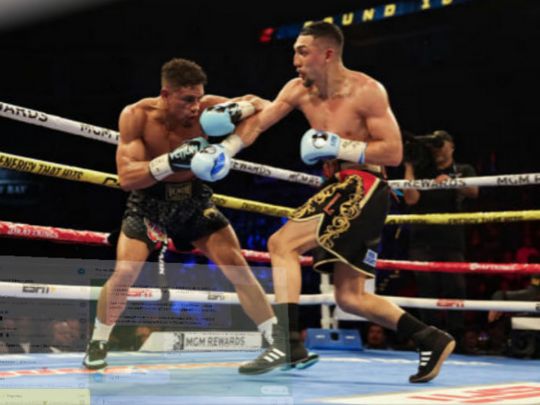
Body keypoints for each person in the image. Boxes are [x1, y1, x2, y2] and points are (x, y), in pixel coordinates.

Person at [191, 21, 455, 382]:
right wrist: (227, 149)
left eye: (303, 52)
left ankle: (287, 342)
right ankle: (431, 338)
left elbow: (393, 152)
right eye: (294, 52)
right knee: (349, 297)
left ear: (327, 54)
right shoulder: (297, 90)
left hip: (365, 182)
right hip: (337, 184)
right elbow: (260, 123)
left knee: (281, 243)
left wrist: (339, 146)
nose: (295, 60)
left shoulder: (367, 91)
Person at [83, 58, 280, 370]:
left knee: (238, 267)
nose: (195, 107)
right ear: (165, 95)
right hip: (150, 202)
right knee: (125, 272)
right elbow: (127, 177)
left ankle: (276, 342)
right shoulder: (137, 115)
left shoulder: (209, 109)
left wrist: (228, 145)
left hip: (194, 199)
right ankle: (98, 342)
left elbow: (266, 107)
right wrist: (171, 162)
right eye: (187, 99)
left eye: (198, 98)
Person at [403, 131, 479, 350]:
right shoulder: (422, 170)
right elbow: (411, 199)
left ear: (451, 146)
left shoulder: (463, 169)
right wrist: (409, 166)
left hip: (451, 239)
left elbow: (473, 191)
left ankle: (456, 338)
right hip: (422, 239)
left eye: (440, 144)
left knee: (455, 286)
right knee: (426, 285)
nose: (436, 149)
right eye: (432, 145)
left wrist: (451, 182)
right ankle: (430, 338)